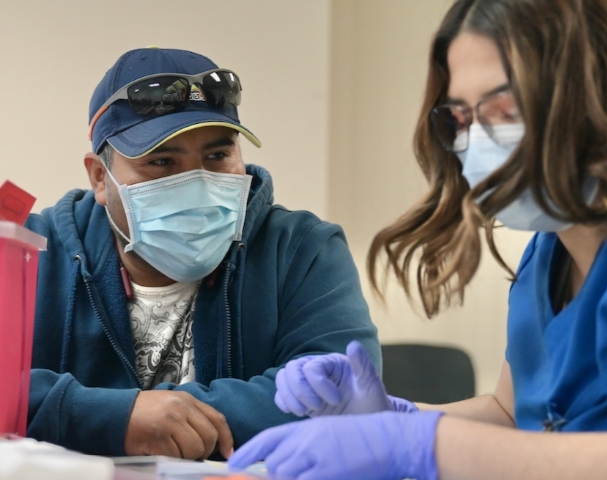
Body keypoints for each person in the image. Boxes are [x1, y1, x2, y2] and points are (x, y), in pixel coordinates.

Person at [228, 0, 607, 478]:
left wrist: (423, 445)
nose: (476, 140)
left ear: (601, 87)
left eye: (504, 108)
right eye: (461, 118)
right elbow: (513, 417)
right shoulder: (549, 251)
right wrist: (385, 419)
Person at [24, 47, 380, 460]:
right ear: (101, 178)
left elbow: (346, 388)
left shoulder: (302, 250)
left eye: (217, 156)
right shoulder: (31, 251)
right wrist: (116, 417)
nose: (196, 182)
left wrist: (166, 420)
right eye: (161, 161)